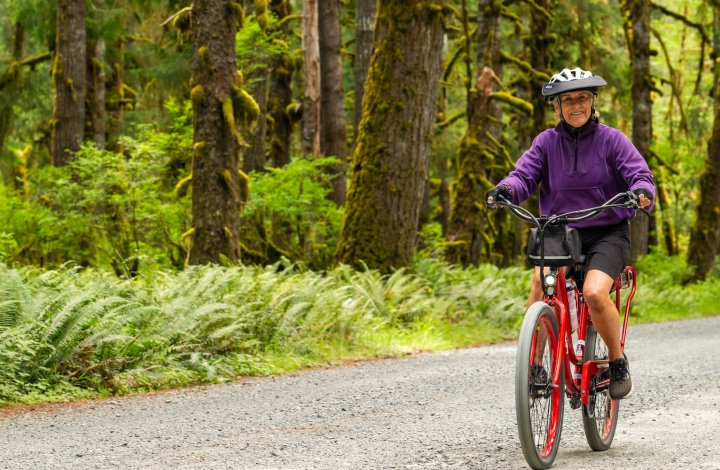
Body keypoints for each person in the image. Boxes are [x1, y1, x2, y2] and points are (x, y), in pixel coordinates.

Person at [486, 67, 655, 400]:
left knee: (593, 293)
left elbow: (640, 175)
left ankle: (616, 361)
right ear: (557, 107)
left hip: (607, 232)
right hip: (559, 231)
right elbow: (523, 176)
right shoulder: (546, 143)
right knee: (539, 283)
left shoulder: (612, 139)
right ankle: (535, 367)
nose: (575, 106)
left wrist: (640, 192)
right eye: (567, 100)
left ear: (593, 102)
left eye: (582, 98)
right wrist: (505, 190)